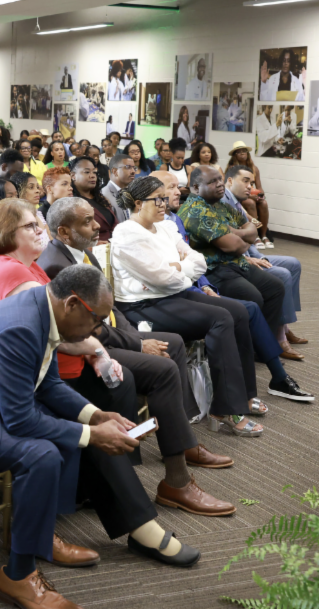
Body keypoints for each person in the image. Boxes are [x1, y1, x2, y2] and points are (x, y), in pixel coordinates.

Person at [0, 265, 201, 609]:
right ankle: (17, 576)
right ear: (72, 304)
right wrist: (90, 433)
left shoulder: (41, 309)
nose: (98, 331)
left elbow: (49, 383)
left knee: (81, 431)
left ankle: (45, 535)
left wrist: (94, 416)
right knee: (43, 453)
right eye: (96, 320)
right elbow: (20, 420)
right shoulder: (20, 327)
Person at [36, 196, 236, 507]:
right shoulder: (55, 264)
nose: (96, 226)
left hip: (108, 336)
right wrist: (139, 344)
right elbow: (85, 326)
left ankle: (181, 441)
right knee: (164, 369)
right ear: (63, 232)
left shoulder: (81, 252)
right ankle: (177, 480)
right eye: (86, 222)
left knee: (173, 343)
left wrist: (134, 338)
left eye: (94, 219)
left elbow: (109, 307)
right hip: (84, 348)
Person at [110, 175, 272, 434]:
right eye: (158, 199)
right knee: (220, 319)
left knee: (239, 311)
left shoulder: (164, 226)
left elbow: (198, 262)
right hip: (143, 306)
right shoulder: (126, 233)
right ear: (138, 203)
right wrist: (179, 269)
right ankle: (226, 408)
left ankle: (243, 395)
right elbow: (161, 276)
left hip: (173, 293)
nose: (164, 204)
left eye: (165, 198)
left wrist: (177, 268)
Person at [179, 167, 293, 349]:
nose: (219, 185)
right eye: (212, 182)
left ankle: (265, 346)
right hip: (214, 270)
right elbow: (236, 246)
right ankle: (247, 348)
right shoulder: (195, 211)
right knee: (253, 296)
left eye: (219, 179)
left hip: (235, 263)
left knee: (275, 287)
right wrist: (243, 237)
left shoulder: (220, 205)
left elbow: (252, 229)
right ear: (195, 187)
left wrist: (235, 233)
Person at [226, 142, 270, 246]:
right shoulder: (232, 169)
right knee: (250, 202)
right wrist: (250, 195)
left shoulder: (254, 168)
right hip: (239, 196)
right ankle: (255, 237)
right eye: (239, 152)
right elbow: (230, 189)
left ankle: (263, 235)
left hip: (252, 194)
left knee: (264, 203)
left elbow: (259, 187)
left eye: (244, 151)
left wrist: (261, 195)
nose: (242, 153)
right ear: (235, 155)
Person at [100, 153, 137, 226]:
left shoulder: (131, 192)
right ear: (115, 171)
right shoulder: (104, 195)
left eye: (134, 168)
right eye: (128, 167)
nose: (133, 171)